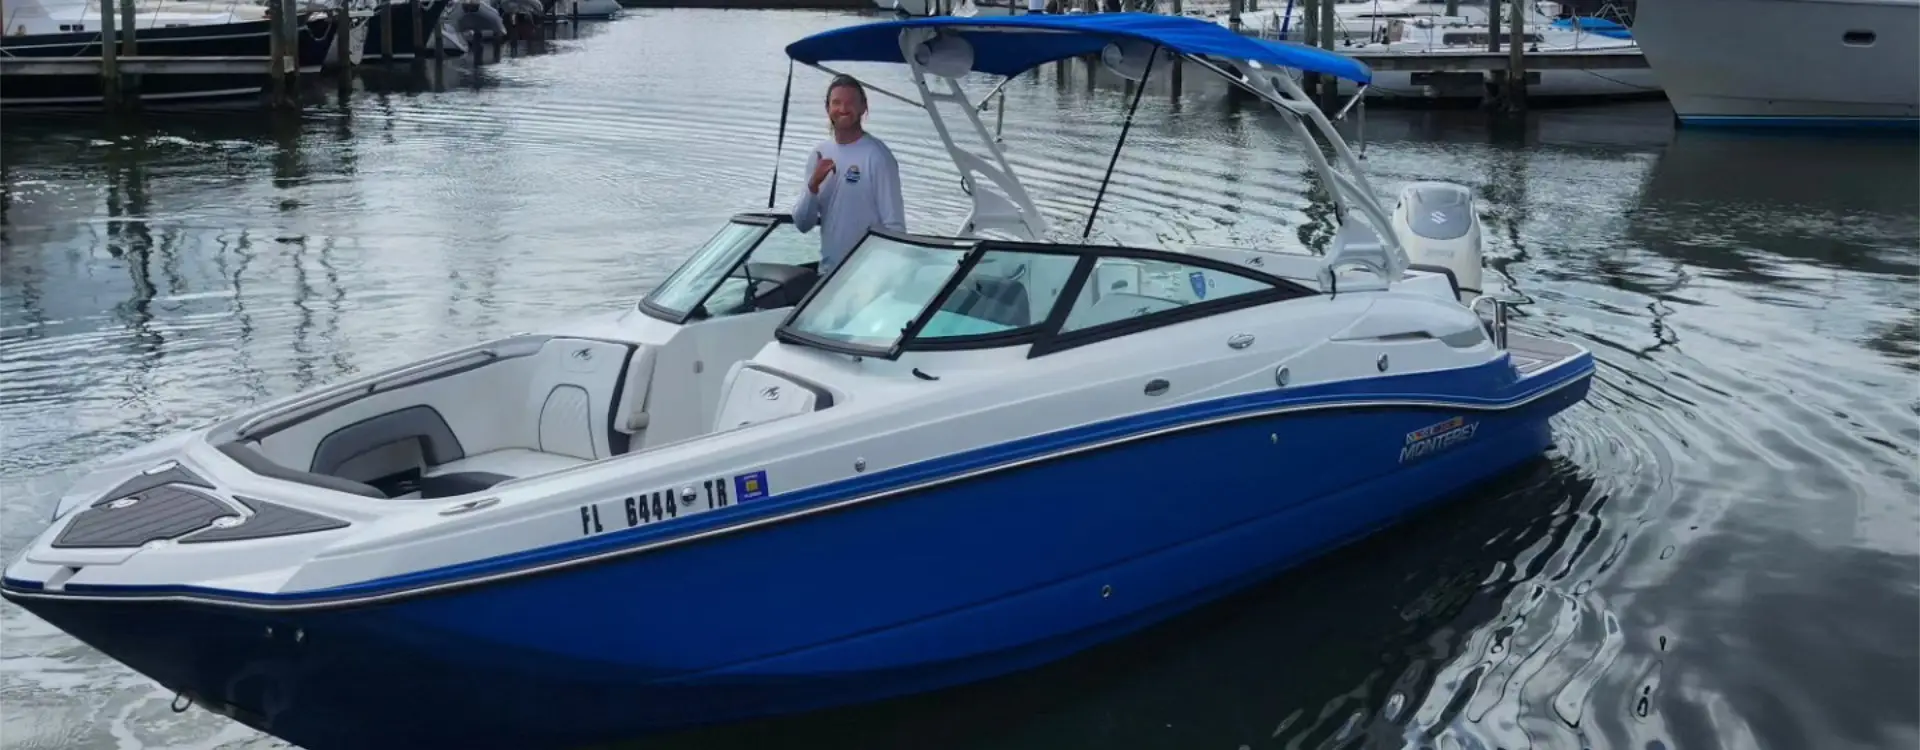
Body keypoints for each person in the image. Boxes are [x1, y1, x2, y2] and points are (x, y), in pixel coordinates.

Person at [791, 75, 906, 275]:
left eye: (851, 102)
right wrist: (813, 185)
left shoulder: (878, 156)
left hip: (865, 276)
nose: (843, 109)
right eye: (836, 103)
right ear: (827, 108)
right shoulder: (819, 154)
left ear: (863, 108)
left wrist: (885, 277)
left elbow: (894, 226)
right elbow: (802, 223)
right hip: (828, 274)